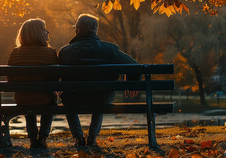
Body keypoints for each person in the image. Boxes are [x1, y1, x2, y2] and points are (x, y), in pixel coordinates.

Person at [58, 13, 138, 147]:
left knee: (66, 98)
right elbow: (134, 66)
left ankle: (78, 137)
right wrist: (131, 82)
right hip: (102, 97)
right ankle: (92, 137)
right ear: (96, 30)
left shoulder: (65, 51)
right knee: (101, 94)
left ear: (77, 30)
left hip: (73, 97)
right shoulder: (110, 49)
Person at [8, 18, 58, 149]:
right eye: (44, 29)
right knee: (51, 101)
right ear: (39, 33)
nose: (48, 32)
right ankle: (43, 137)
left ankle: (32, 139)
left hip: (23, 98)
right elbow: (55, 79)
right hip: (45, 98)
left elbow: (10, 81)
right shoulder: (50, 52)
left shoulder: (15, 53)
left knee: (27, 99)